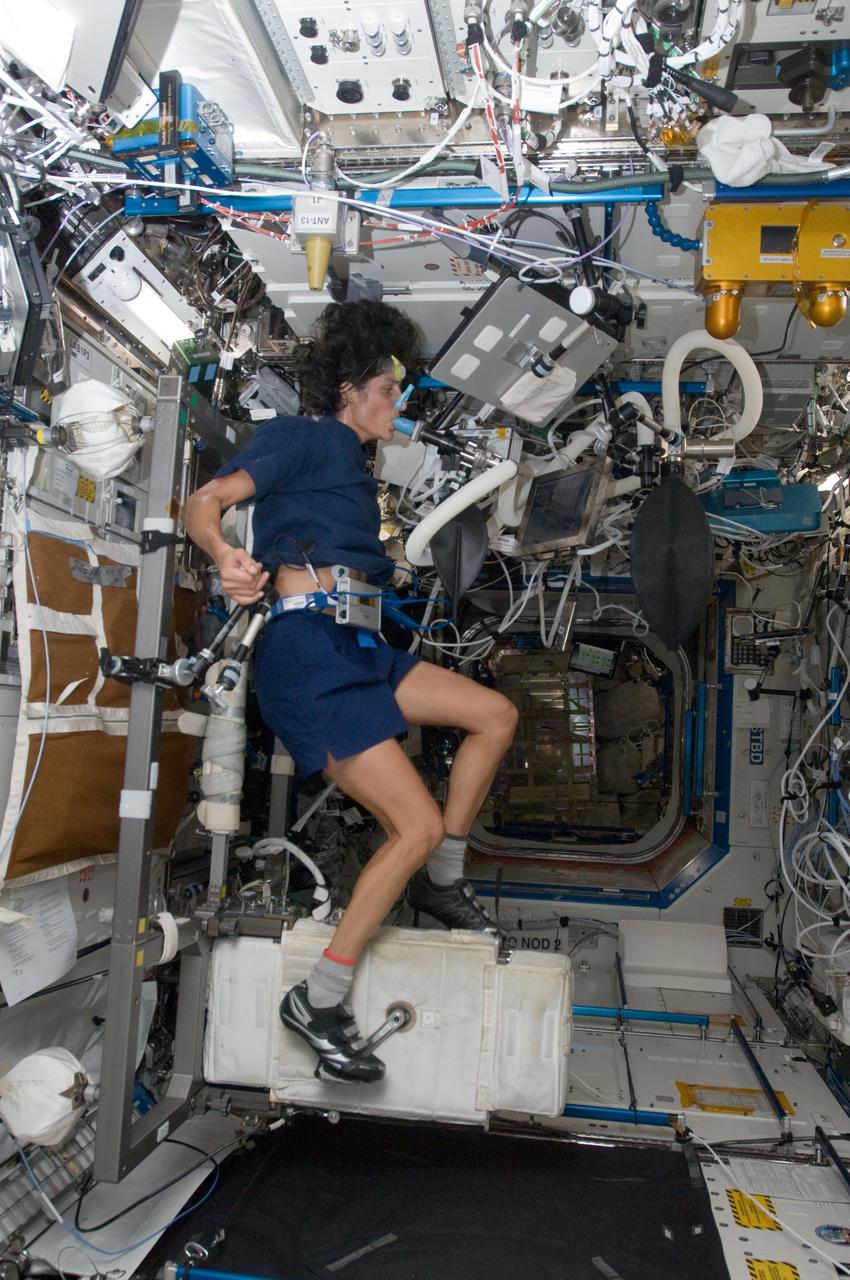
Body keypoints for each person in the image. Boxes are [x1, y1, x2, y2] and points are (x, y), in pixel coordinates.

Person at [184, 300, 518, 1084]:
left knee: (495, 715)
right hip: (308, 657)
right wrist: (223, 558)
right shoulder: (300, 439)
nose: (396, 404)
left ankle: (442, 886)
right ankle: (318, 999)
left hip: (359, 648)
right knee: (416, 825)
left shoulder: (357, 474)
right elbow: (207, 503)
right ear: (349, 390)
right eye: (389, 389)